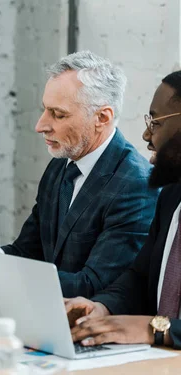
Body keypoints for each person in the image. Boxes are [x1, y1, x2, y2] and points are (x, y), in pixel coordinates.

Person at [0, 51, 158, 298]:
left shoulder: (137, 185)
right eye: (45, 110)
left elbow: (92, 286)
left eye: (58, 114)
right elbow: (28, 252)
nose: (40, 125)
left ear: (102, 117)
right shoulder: (61, 165)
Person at [67, 71, 181, 349]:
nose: (146, 135)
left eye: (155, 122)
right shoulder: (171, 196)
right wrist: (102, 307)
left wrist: (154, 328)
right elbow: (139, 278)